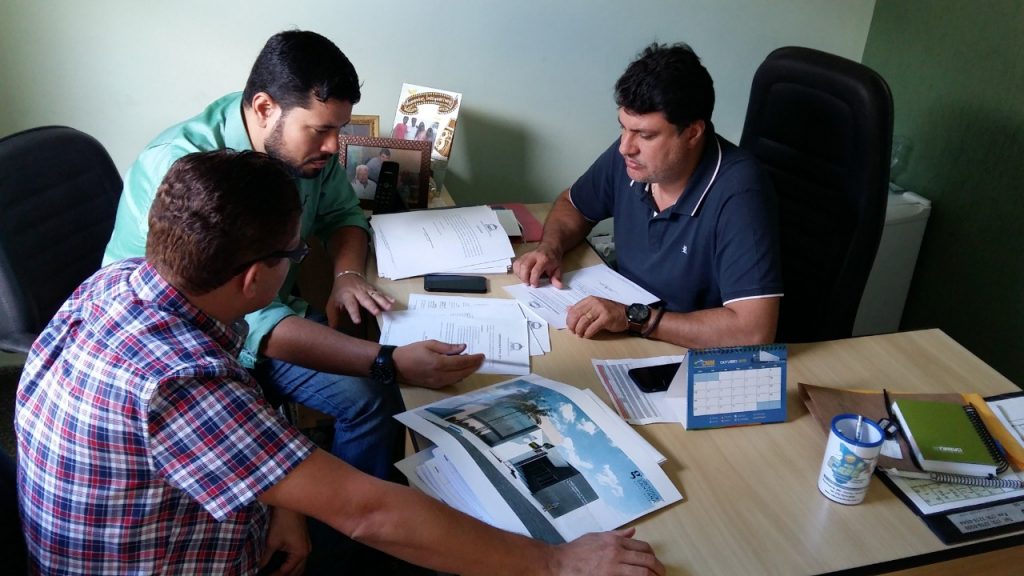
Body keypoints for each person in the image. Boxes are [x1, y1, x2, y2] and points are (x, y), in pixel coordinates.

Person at [16, 150, 665, 576]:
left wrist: (284, 501)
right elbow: (366, 512)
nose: (300, 262)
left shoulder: (123, 282)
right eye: (295, 256)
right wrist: (556, 564)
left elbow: (236, 413)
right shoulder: (179, 383)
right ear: (253, 279)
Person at [102, 29, 483, 488]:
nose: (333, 146)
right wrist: (387, 361)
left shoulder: (297, 146)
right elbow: (252, 321)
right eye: (321, 130)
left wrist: (346, 275)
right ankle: (342, 523)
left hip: (267, 309)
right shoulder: (186, 170)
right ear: (264, 108)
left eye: (339, 129)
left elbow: (343, 213)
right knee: (373, 392)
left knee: (376, 382)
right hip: (184, 350)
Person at [513, 43, 782, 349]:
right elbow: (573, 204)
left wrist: (635, 318)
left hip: (685, 351)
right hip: (628, 328)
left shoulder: (740, 192)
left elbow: (753, 332)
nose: (625, 147)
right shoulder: (634, 160)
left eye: (646, 135)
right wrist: (551, 249)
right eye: (624, 128)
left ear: (693, 133)